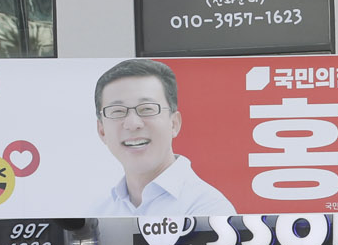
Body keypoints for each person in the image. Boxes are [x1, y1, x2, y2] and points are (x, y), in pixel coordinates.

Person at [88, 57, 236, 220]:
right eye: (117, 111)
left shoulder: (210, 209)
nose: (132, 124)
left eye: (147, 109)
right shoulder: (97, 214)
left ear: (174, 124)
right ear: (101, 131)